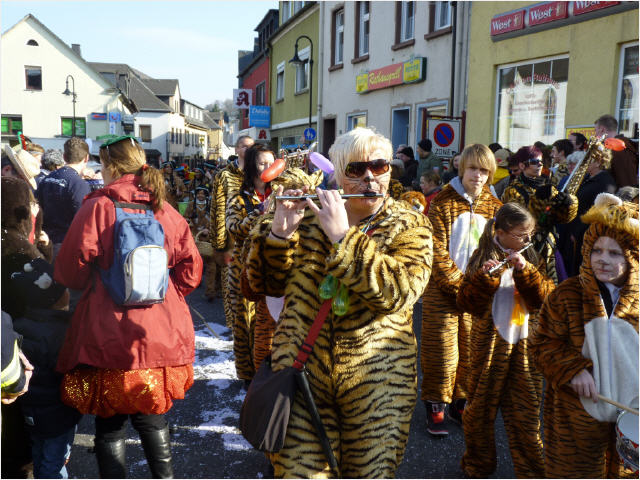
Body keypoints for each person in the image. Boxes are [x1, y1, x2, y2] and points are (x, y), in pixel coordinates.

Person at [244, 127, 433, 477]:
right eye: (356, 169)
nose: (369, 178)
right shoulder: (308, 215)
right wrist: (278, 235)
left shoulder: (409, 223)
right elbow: (262, 285)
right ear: (339, 175)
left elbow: (400, 292)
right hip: (302, 375)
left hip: (378, 382)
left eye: (379, 167)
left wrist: (343, 238)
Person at [53, 135, 203, 479]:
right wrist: (164, 296)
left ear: (111, 166)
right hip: (159, 331)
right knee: (152, 418)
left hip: (108, 332)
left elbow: (70, 273)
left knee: (110, 423)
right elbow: (191, 272)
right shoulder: (164, 209)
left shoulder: (97, 207)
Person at [530, 193, 638, 478]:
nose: (602, 260)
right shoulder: (566, 296)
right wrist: (572, 368)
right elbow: (541, 344)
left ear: (633, 257)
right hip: (575, 422)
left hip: (631, 421)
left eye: (614, 253)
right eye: (597, 250)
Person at [457, 203, 554, 478]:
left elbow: (547, 298)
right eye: (522, 235)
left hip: (524, 347)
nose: (528, 239)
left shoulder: (534, 254)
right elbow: (465, 302)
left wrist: (526, 271)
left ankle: (532, 471)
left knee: (527, 415)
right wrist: (483, 279)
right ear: (500, 232)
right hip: (487, 347)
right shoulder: (482, 255)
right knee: (478, 412)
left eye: (530, 233)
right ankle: (478, 464)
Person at [420, 144, 502, 436]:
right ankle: (435, 402)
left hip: (477, 293)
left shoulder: (495, 207)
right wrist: (457, 284)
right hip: (443, 292)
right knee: (442, 352)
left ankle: (460, 401)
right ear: (462, 168)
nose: (478, 176)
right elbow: (435, 248)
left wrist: (483, 283)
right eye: (473, 169)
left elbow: (498, 249)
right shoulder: (443, 201)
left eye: (484, 170)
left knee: (471, 351)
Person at [9, 258, 81, 479]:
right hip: (58, 411)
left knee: (40, 453)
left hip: (30, 408)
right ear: (55, 299)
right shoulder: (60, 332)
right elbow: (69, 369)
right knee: (54, 463)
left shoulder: (17, 325)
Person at [225, 144, 274, 384]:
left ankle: (269, 372)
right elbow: (234, 229)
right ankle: (248, 375)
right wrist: (258, 213)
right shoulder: (239, 197)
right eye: (263, 163)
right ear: (253, 166)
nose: (268, 168)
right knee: (244, 323)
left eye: (271, 163)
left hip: (273, 267)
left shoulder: (282, 191)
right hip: (243, 268)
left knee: (271, 324)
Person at [502, 145, 578, 284]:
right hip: (527, 249)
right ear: (522, 165)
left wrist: (568, 204)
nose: (539, 165)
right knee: (532, 285)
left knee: (553, 287)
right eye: (534, 162)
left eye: (541, 161)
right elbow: (521, 221)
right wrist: (540, 202)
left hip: (550, 246)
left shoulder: (549, 185)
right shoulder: (513, 191)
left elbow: (562, 218)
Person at [210, 135, 254, 323]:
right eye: (244, 146)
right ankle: (234, 325)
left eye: (251, 146)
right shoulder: (225, 175)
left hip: (253, 237)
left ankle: (252, 324)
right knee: (231, 285)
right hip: (232, 239)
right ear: (236, 149)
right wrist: (219, 243)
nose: (248, 150)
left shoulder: (259, 172)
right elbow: (218, 209)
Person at [557, 145, 616, 278]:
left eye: (589, 159)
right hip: (573, 230)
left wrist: (578, 232)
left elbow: (598, 212)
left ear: (598, 162)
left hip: (584, 234)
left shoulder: (605, 182)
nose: (584, 163)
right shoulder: (589, 178)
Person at [36, 137, 91, 259]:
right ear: (86, 158)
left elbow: (37, 208)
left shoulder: (47, 178)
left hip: (44, 242)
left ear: (64, 157)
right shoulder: (79, 184)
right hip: (66, 246)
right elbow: (83, 222)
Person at [595, 114, 639, 188]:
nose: (595, 134)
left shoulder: (617, 149)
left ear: (602, 129)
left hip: (622, 192)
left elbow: (624, 179)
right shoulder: (626, 145)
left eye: (595, 130)